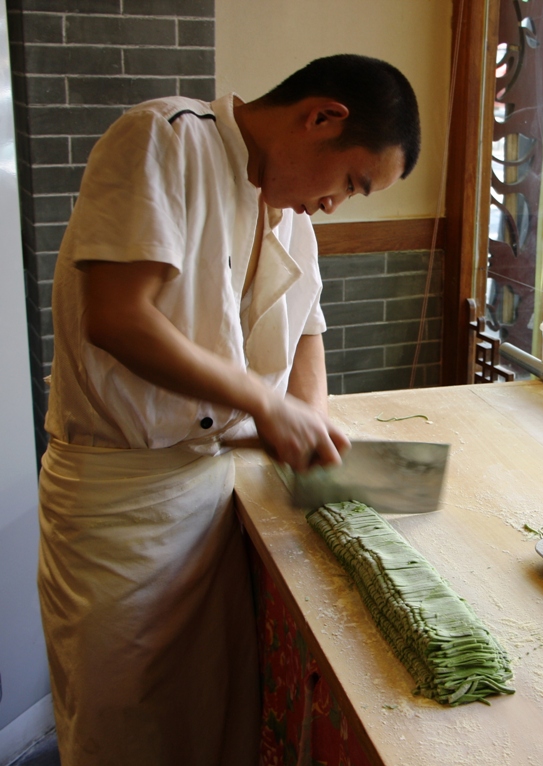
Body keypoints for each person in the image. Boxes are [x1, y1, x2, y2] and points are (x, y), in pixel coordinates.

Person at [36, 54, 421, 765]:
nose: (337, 204)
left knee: (215, 726)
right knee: (125, 731)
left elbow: (308, 330)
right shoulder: (166, 139)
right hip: (118, 503)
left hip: (215, 496)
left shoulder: (292, 219)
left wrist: (314, 425)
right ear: (323, 117)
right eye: (351, 182)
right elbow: (118, 318)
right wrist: (265, 409)